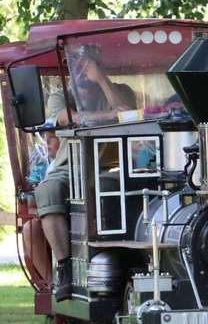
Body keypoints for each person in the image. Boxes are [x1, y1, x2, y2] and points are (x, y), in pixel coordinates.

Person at [35, 44, 136, 301]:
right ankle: (66, 268)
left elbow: (126, 113)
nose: (81, 69)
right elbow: (67, 118)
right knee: (48, 189)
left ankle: (119, 261)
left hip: (110, 166)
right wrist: (108, 115)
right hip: (70, 167)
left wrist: (101, 80)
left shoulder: (120, 90)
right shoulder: (60, 95)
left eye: (87, 63)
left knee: (111, 187)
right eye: (76, 64)